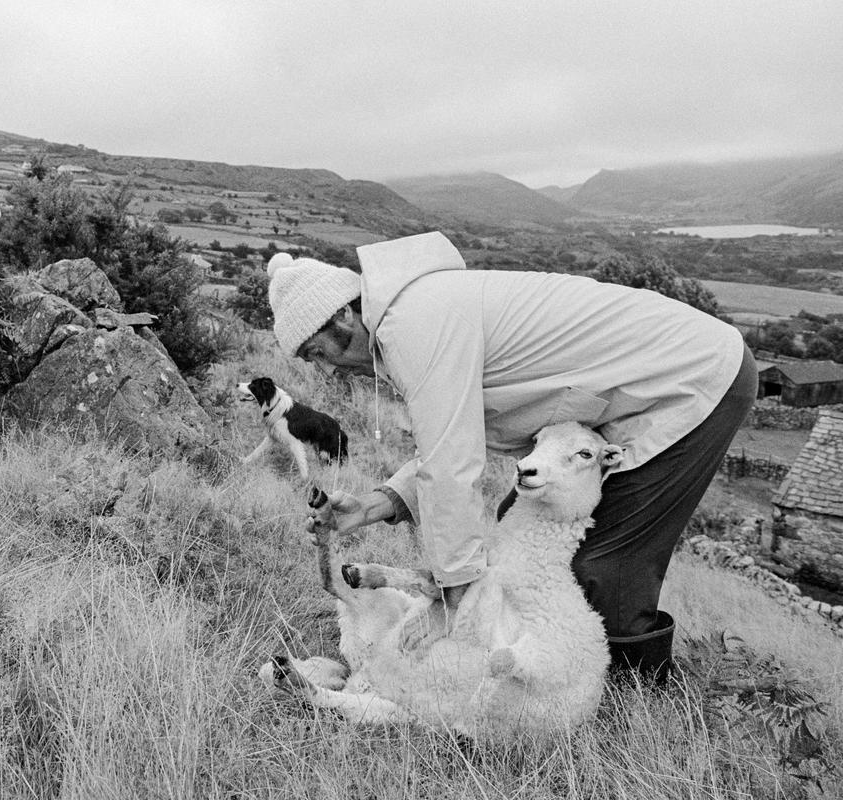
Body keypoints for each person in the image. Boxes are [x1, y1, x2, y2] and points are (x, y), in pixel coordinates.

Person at [266, 231, 757, 682]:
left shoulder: (415, 323)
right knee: (516, 525)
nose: (326, 371)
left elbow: (450, 464)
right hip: (637, 394)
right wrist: (379, 502)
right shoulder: (410, 317)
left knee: (603, 565)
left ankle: (633, 705)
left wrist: (453, 597)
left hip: (692, 382)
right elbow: (456, 437)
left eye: (317, 353)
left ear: (343, 318)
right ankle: (540, 667)